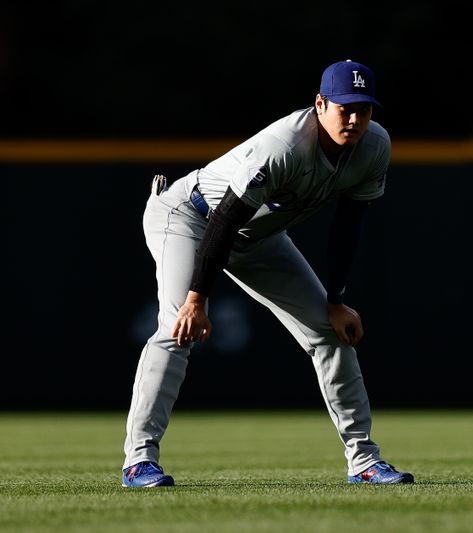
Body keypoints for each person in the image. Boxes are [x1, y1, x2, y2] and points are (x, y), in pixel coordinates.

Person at [121, 59, 414, 487]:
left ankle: (365, 462)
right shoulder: (284, 145)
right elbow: (223, 219)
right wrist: (197, 299)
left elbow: (349, 224)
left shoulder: (374, 147)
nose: (354, 118)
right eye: (343, 107)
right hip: (189, 216)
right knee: (175, 327)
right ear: (320, 104)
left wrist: (335, 300)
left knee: (331, 334)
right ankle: (138, 461)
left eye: (364, 109)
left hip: (257, 236)